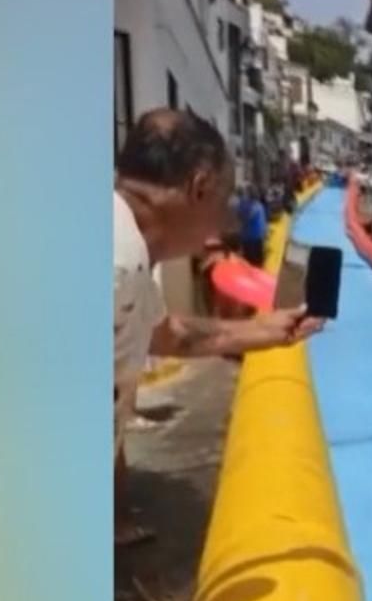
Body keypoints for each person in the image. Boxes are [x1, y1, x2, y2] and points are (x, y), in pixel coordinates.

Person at [116, 110, 324, 545]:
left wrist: (266, 331)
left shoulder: (124, 253)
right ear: (200, 187)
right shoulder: (116, 264)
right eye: (224, 200)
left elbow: (168, 334)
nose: (226, 221)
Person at [236, 185, 268, 267]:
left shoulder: (254, 207)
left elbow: (245, 219)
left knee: (250, 261)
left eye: (246, 193)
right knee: (258, 260)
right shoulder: (259, 206)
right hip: (258, 236)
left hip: (251, 237)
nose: (245, 195)